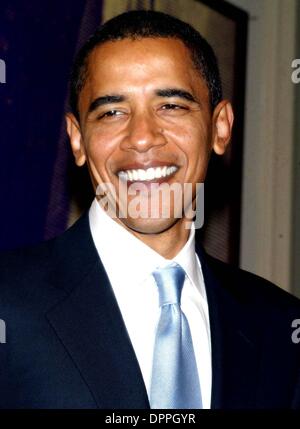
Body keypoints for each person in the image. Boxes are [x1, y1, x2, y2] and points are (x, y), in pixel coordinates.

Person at [0, 10, 300, 410]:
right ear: (77, 140)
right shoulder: (8, 302)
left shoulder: (280, 325)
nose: (142, 138)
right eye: (112, 112)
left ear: (220, 128)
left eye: (171, 106)